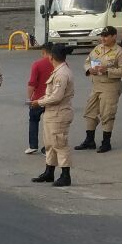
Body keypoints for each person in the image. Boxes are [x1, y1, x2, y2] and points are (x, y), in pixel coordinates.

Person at [73, 26, 122, 153]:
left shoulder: (119, 52)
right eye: (102, 36)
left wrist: (107, 70)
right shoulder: (98, 48)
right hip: (96, 85)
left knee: (107, 114)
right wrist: (89, 69)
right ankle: (89, 140)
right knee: (90, 112)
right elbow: (87, 61)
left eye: (106, 36)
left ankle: (106, 142)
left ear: (114, 36)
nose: (103, 39)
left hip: (110, 86)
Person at [32, 43, 75, 187]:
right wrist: (43, 100)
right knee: (49, 144)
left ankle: (65, 175)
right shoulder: (58, 70)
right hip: (52, 113)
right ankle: (49, 171)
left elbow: (57, 97)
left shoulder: (62, 73)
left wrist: (39, 102)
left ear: (51, 57)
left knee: (60, 144)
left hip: (59, 113)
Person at [25, 41, 53, 154]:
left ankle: (33, 145)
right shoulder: (61, 64)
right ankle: (48, 147)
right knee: (50, 124)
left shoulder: (37, 64)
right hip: (52, 99)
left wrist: (29, 99)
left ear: (44, 52)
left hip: (37, 99)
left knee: (33, 120)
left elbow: (32, 83)